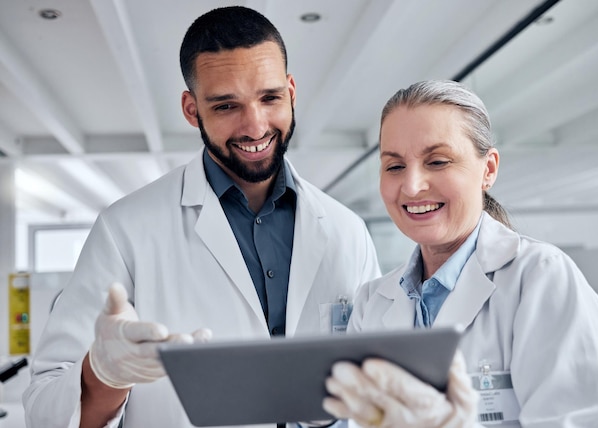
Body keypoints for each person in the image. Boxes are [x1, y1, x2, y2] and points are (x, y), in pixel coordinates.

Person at [23, 6, 380, 428]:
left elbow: (377, 384)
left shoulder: (346, 230)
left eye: (269, 98)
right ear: (192, 110)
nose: (255, 126)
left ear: (291, 91)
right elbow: (44, 411)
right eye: (227, 105)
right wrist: (104, 375)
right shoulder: (125, 230)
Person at [322, 80, 598, 427]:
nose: (413, 185)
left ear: (488, 169)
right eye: (394, 166)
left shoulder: (540, 277)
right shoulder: (373, 302)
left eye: (437, 161)